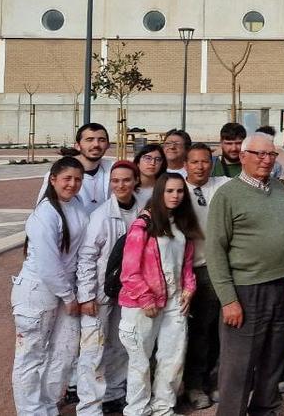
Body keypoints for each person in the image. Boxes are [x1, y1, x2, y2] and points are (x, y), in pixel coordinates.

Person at [204, 132, 284, 416]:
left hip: (281, 286)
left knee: (273, 358)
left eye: (271, 154)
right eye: (259, 154)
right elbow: (215, 250)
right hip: (246, 290)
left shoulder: (279, 189)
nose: (266, 160)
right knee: (239, 366)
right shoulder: (227, 195)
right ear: (243, 156)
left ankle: (266, 409)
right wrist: (228, 300)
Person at [12, 157, 90, 416]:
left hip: (66, 289)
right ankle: (30, 411)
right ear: (53, 179)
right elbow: (48, 263)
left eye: (78, 179)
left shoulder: (76, 204)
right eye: (67, 178)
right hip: (38, 291)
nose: (72, 184)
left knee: (64, 352)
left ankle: (47, 405)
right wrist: (69, 296)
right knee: (31, 355)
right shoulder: (45, 213)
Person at [117, 173, 200, 416]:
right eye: (169, 191)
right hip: (142, 305)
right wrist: (145, 298)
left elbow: (186, 263)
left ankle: (164, 408)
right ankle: (137, 410)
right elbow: (129, 271)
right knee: (140, 362)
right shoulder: (143, 225)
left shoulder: (182, 224)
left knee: (173, 359)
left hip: (174, 302)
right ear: (159, 193)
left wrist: (189, 287)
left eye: (179, 191)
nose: (175, 196)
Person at [75, 161, 145, 416]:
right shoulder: (101, 216)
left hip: (129, 292)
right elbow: (87, 257)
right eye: (115, 180)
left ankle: (115, 393)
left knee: (122, 343)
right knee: (94, 349)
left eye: (126, 180)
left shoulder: (143, 211)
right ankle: (89, 407)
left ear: (136, 181)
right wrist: (86, 295)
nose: (120, 185)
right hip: (101, 293)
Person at [182, 142, 229, 409]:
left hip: (221, 269)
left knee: (221, 331)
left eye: (205, 161)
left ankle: (216, 379)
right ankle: (195, 384)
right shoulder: (178, 190)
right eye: (195, 162)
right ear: (186, 165)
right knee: (199, 331)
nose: (200, 166)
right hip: (194, 270)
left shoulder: (221, 184)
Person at [39, 123, 113, 213]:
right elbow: (43, 209)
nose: (96, 144)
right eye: (89, 140)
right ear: (77, 146)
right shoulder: (59, 174)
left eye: (101, 140)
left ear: (108, 145)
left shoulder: (113, 172)